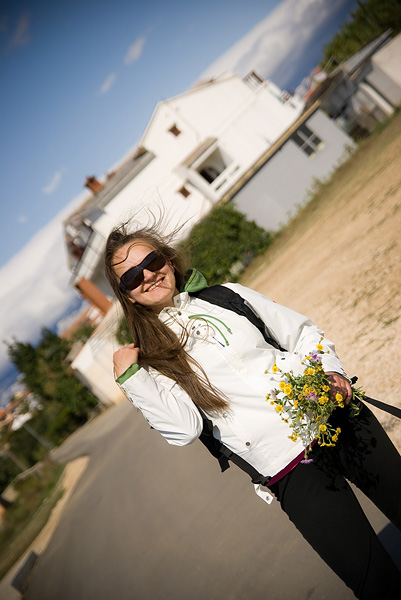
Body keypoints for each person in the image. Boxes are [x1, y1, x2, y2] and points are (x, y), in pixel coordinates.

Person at [104, 219, 401, 599]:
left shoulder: (226, 295)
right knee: (375, 580)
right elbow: (182, 429)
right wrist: (130, 376)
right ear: (127, 295)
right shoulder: (151, 364)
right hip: (290, 471)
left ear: (168, 259)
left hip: (339, 418)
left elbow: (300, 333)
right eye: (131, 277)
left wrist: (331, 371)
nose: (148, 275)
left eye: (153, 260)